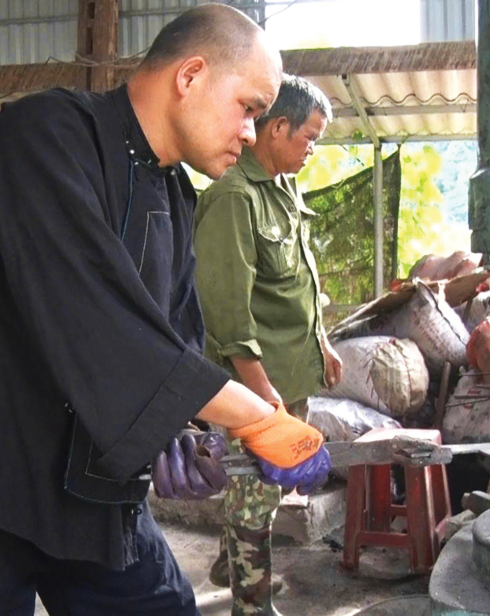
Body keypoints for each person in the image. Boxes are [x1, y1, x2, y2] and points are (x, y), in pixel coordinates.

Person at [0, 5, 329, 616]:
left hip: (73, 459)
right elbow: (95, 322)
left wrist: (181, 434)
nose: (249, 132)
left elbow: (173, 342)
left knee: (159, 605)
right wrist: (256, 417)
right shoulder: (43, 134)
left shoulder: (177, 198)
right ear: (190, 75)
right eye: (249, 109)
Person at [193, 74, 342, 616]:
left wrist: (323, 346)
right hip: (255, 387)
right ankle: (250, 606)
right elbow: (227, 310)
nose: (311, 150)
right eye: (309, 138)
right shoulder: (233, 198)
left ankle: (230, 565)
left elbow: (301, 278)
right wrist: (263, 400)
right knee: (255, 496)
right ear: (277, 127)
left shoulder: (283, 188)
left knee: (266, 486)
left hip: (288, 373)